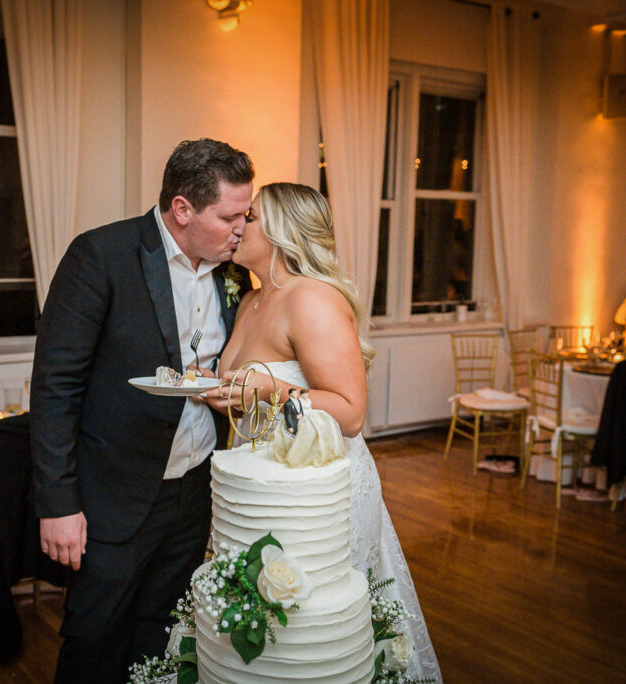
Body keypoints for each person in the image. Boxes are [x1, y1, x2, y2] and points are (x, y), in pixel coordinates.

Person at [30, 138, 254, 682]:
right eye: (231, 216)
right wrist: (57, 503)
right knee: (95, 635)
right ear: (183, 209)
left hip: (194, 485)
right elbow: (55, 385)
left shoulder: (233, 272)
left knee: (166, 630)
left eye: (246, 214)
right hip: (115, 490)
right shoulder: (102, 255)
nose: (243, 228)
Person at [201, 182, 442, 680]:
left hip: (319, 489)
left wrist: (268, 390)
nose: (238, 224)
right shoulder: (251, 300)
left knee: (317, 631)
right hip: (261, 485)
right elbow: (247, 383)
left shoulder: (313, 298)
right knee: (267, 638)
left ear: (285, 232)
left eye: (251, 216)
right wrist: (213, 386)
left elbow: (350, 412)